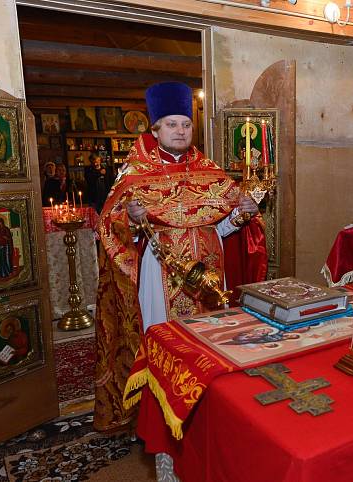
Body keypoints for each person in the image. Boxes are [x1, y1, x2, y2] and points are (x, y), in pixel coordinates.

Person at [93, 81, 268, 431]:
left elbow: (221, 229)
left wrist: (243, 213)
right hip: (162, 276)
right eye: (172, 124)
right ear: (156, 128)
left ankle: (210, 410)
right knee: (166, 343)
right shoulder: (134, 173)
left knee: (211, 343)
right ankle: (160, 421)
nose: (180, 131)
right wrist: (132, 218)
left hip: (210, 273)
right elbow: (109, 227)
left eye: (186, 124)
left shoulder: (209, 169)